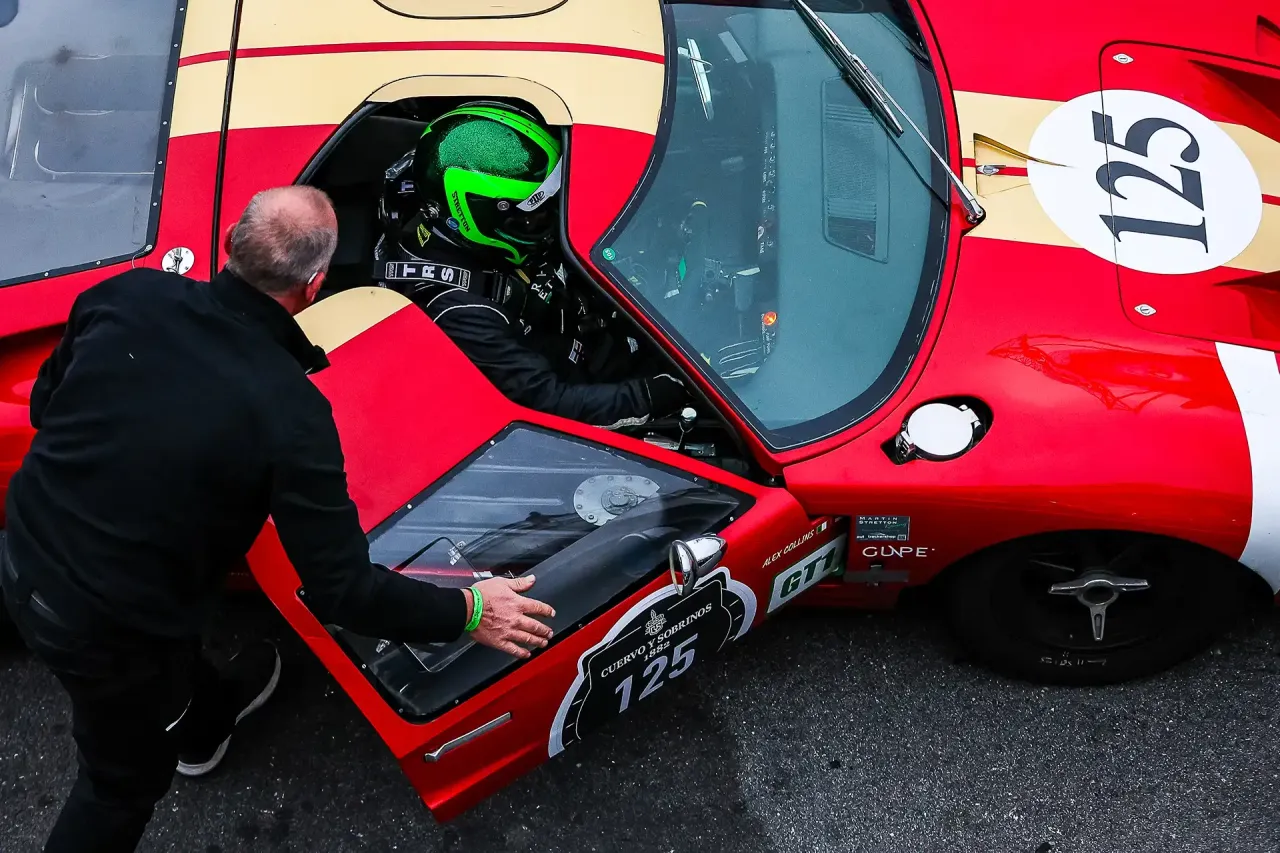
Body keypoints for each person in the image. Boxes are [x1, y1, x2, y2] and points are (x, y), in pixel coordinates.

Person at [0, 186, 556, 853]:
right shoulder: (291, 414)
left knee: (157, 660)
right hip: (107, 625)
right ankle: (173, 736)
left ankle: (205, 725)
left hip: (22, 545)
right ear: (314, 285)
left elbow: (46, 406)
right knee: (120, 783)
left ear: (230, 240)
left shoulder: (128, 294)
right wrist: (470, 610)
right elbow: (343, 591)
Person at [374, 100, 689, 429]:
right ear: (477, 216)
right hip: (585, 394)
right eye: (534, 216)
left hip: (593, 335)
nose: (552, 221)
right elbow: (550, 405)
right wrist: (659, 394)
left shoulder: (461, 228)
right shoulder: (459, 313)